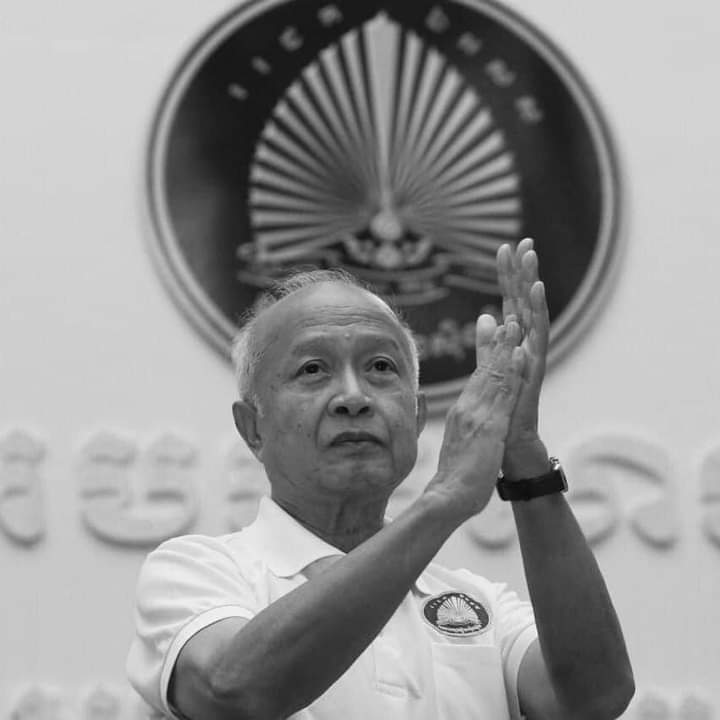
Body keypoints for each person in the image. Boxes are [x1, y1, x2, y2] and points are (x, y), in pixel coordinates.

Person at [126, 239, 634, 720]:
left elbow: (594, 699)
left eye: (380, 367)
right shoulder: (197, 571)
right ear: (252, 428)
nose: (354, 397)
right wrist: (445, 499)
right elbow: (231, 691)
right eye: (313, 370)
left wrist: (522, 454)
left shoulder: (477, 606)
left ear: (416, 416)